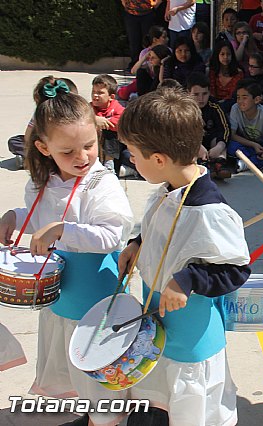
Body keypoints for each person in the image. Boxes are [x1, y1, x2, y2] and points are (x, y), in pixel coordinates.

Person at [0, 83, 133, 426]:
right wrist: (16, 217)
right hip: (60, 301)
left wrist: (61, 230)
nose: (82, 157)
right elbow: (42, 218)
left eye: (89, 146)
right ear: (43, 148)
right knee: (73, 379)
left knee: (100, 383)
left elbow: (112, 234)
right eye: (68, 151)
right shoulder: (41, 181)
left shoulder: (100, 183)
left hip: (95, 303)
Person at [117, 88, 250, 426]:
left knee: (190, 412)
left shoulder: (210, 212)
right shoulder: (166, 191)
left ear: (159, 160)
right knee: (157, 402)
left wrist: (188, 279)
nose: (130, 159)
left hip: (191, 337)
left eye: (133, 154)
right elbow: (158, 230)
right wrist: (138, 243)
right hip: (159, 323)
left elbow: (235, 269)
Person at [8, 76, 79, 170]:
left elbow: (28, 136)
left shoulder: (74, 113)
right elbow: (27, 137)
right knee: (15, 141)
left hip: (59, 148)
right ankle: (37, 160)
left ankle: (33, 160)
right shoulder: (40, 114)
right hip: (48, 147)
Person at [227, 79, 263, 170]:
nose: (240, 101)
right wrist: (253, 145)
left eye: (244, 98)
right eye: (238, 97)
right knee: (231, 146)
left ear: (256, 100)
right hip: (247, 144)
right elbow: (232, 135)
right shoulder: (235, 109)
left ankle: (247, 164)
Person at [187, 73, 233, 180]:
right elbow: (180, 132)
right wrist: (197, 145)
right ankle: (203, 165)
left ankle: (220, 164)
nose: (201, 98)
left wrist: (220, 146)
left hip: (211, 142)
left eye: (204, 94)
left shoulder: (215, 106)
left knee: (219, 141)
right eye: (196, 94)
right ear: (188, 93)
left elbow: (225, 127)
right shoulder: (183, 108)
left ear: (209, 92)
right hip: (193, 143)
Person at [118, 25, 169, 101]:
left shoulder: (168, 51)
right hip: (146, 81)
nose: (167, 39)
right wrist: (144, 58)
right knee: (124, 93)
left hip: (158, 83)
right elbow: (134, 71)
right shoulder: (145, 52)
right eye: (164, 37)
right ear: (155, 39)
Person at [90, 74, 126, 175]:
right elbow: (81, 119)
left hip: (116, 148)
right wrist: (94, 119)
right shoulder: (89, 108)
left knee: (109, 132)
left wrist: (103, 122)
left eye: (100, 93)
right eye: (93, 92)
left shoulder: (117, 108)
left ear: (111, 97)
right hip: (98, 145)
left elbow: (120, 123)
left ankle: (109, 164)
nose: (95, 95)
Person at [121, 0, 159, 71]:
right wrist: (125, 4)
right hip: (131, 14)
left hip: (148, 13)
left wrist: (154, 5)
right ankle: (134, 63)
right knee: (134, 40)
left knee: (148, 40)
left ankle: (149, 63)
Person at [209, 40, 244, 111]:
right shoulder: (211, 72)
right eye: (222, 54)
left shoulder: (238, 73)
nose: (225, 57)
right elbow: (211, 92)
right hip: (213, 105)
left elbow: (234, 95)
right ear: (217, 55)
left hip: (231, 106)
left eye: (228, 54)